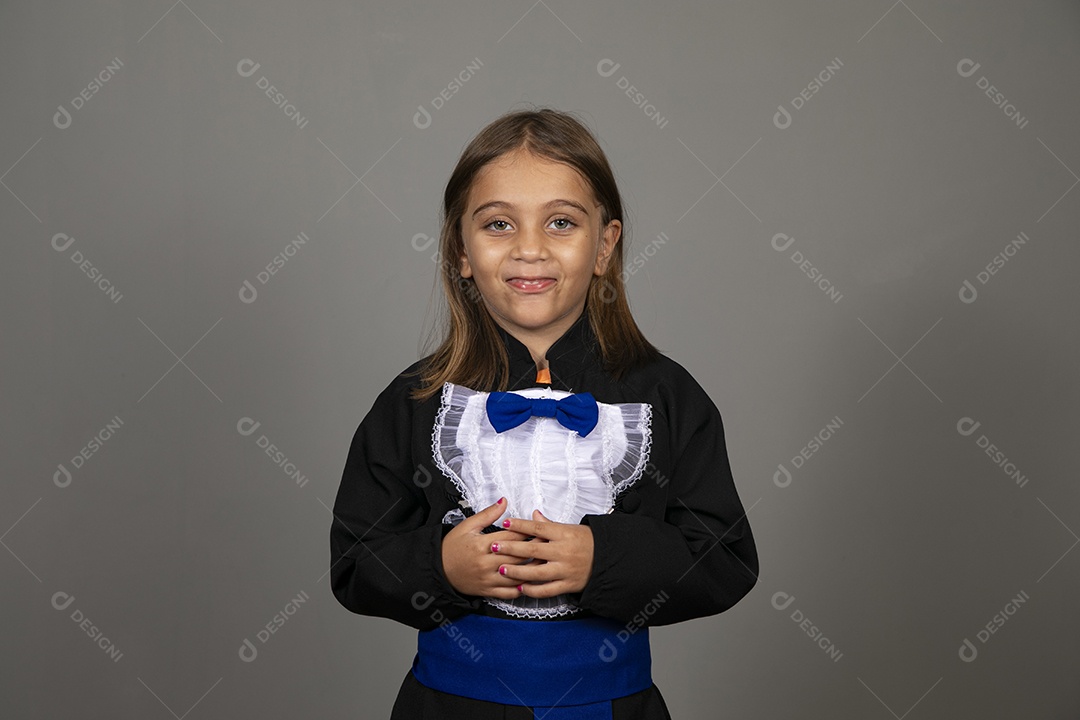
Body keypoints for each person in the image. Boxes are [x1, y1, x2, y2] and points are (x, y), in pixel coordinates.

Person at [329, 107, 759, 719]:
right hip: (449, 706)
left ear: (605, 245)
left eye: (561, 222)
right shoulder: (414, 400)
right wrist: (441, 564)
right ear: (460, 250)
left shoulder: (667, 396)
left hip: (612, 706)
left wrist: (601, 558)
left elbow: (724, 559)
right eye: (499, 224)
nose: (530, 250)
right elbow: (353, 562)